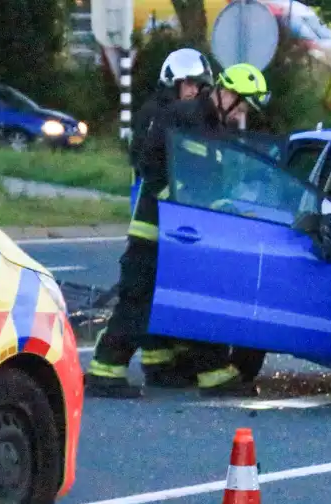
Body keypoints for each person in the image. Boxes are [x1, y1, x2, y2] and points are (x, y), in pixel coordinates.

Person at [85, 62, 272, 399]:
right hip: (156, 228)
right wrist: (177, 202)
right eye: (241, 103)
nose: (241, 112)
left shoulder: (214, 128)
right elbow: (150, 162)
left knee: (194, 298)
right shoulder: (181, 116)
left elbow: (207, 182)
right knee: (137, 300)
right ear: (227, 92)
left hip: (188, 232)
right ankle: (105, 372)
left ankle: (206, 371)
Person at [122, 48, 215, 390]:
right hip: (154, 221)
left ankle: (160, 362)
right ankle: (147, 362)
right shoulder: (157, 115)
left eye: (199, 87)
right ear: (172, 82)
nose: (194, 92)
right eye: (188, 84)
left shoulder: (184, 117)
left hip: (175, 222)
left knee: (164, 293)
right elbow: (150, 164)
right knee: (142, 295)